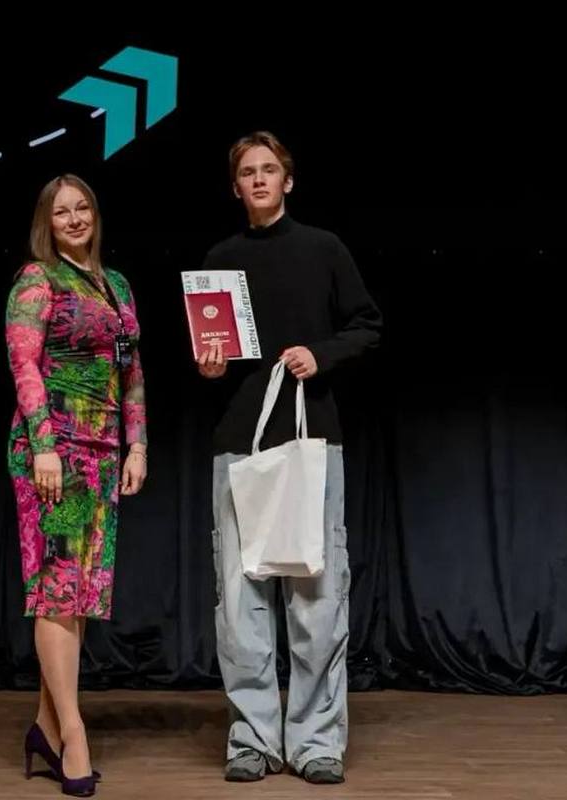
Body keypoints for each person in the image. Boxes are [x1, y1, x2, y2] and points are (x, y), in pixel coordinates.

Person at [198, 132, 382, 784]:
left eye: (268, 169)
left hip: (311, 443)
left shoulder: (323, 248)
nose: (258, 179)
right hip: (239, 445)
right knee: (240, 602)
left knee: (317, 598)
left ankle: (315, 742)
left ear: (288, 180)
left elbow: (367, 325)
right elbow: (215, 355)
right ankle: (251, 740)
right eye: (247, 172)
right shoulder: (220, 260)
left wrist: (319, 354)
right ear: (235, 187)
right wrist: (210, 366)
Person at [6, 174, 148, 797]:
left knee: (81, 594)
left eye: (82, 207)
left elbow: (132, 370)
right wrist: (43, 444)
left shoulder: (116, 285)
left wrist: (137, 443)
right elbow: (24, 364)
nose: (74, 218)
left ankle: (45, 726)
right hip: (56, 454)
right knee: (58, 591)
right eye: (61, 211)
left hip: (102, 456)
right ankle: (74, 733)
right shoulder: (37, 280)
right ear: (47, 222)